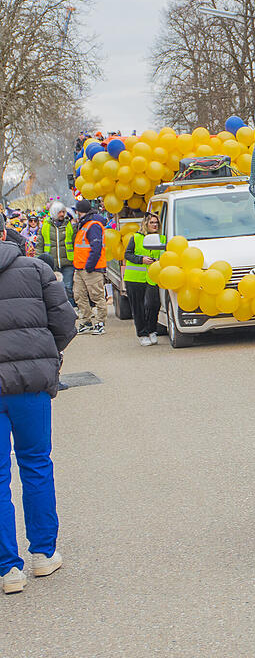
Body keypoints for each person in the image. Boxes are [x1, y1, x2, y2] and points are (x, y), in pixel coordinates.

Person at [0, 235, 77, 594]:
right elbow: (65, 322)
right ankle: (43, 553)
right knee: (35, 463)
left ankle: (7, 570)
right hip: (30, 382)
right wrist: (43, 351)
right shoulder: (36, 269)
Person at [123, 213, 164, 346]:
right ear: (145, 224)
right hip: (134, 278)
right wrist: (141, 260)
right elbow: (127, 254)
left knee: (154, 304)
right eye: (152, 222)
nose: (155, 225)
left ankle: (152, 329)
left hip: (152, 277)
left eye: (156, 223)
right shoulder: (136, 237)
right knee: (138, 308)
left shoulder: (162, 238)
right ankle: (142, 333)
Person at [72, 199, 108, 336]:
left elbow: (96, 248)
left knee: (97, 296)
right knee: (79, 296)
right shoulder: (85, 224)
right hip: (81, 268)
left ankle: (100, 323)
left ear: (79, 212)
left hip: (91, 269)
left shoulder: (92, 225)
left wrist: (89, 266)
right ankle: (86, 322)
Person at [38, 201, 76, 306]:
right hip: (51, 262)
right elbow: (40, 245)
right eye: (60, 212)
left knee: (68, 286)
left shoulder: (69, 226)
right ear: (54, 212)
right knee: (56, 286)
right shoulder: (45, 227)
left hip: (67, 261)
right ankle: (59, 306)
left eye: (63, 212)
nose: (62, 214)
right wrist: (39, 260)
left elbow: (74, 242)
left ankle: (70, 306)